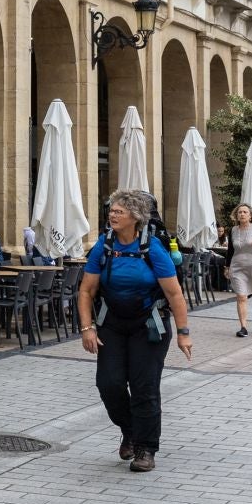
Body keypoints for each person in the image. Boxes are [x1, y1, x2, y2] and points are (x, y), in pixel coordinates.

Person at [77, 189, 193, 473]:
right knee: (109, 384)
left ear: (135, 217)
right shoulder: (103, 246)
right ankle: (129, 430)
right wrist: (87, 328)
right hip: (112, 324)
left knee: (144, 387)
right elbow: (86, 290)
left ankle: (145, 448)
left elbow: (175, 294)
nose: (112, 215)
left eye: (119, 211)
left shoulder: (153, 248)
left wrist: (183, 332)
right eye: (112, 211)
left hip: (149, 325)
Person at [220, 204, 252, 337]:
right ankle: (243, 327)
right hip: (237, 267)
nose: (242, 214)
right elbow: (230, 251)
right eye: (240, 212)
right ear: (236, 216)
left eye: (245, 212)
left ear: (250, 216)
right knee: (241, 296)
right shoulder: (233, 230)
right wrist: (227, 267)